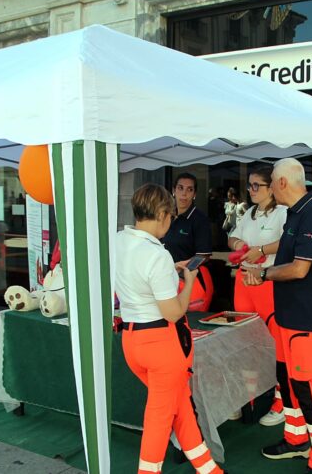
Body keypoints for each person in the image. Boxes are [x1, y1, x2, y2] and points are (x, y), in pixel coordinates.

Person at [115, 183, 224, 474]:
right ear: (163, 214)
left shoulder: (118, 241)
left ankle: (208, 469)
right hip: (162, 345)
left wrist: (169, 269)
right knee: (161, 417)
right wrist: (188, 284)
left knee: (179, 406)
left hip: (131, 341)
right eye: (171, 217)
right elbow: (174, 312)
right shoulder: (156, 254)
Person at [243, 158, 312, 474]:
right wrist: (261, 270)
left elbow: (300, 268)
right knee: (288, 378)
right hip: (287, 316)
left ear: (282, 183)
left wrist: (263, 273)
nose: (268, 189)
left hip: (305, 318)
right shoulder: (297, 212)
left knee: (309, 384)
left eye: (270, 183)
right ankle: (296, 439)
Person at [227, 166, 288, 426]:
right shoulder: (248, 213)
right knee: (244, 342)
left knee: (277, 344)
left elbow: (289, 243)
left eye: (256, 186)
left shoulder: (283, 212)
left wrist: (261, 249)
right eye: (249, 186)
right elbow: (232, 238)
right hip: (244, 282)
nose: (251, 190)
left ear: (270, 188)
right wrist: (239, 245)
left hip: (267, 283)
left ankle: (281, 401)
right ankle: (246, 398)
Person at [162, 172, 214, 311]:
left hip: (192, 281)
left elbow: (204, 255)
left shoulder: (199, 220)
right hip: (167, 280)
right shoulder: (165, 216)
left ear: (194, 194)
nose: (184, 194)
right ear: (173, 190)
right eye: (180, 188)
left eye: (189, 189)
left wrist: (181, 269)